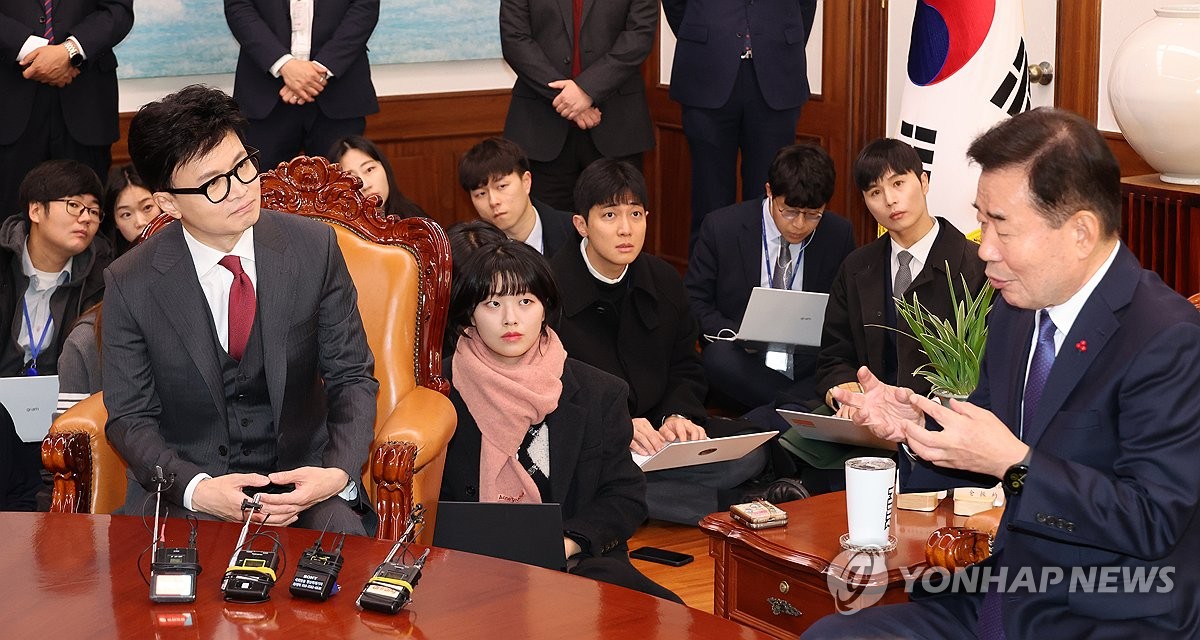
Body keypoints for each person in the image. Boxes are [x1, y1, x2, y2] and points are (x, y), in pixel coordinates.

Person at [807, 108, 1200, 638]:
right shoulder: (1016, 312)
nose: (984, 248)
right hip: (1000, 594)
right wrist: (917, 429)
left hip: (1105, 612)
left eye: (1002, 227)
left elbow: (1152, 520)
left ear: (1081, 232)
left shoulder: (1166, 339)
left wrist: (1015, 465)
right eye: (982, 220)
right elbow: (982, 439)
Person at [104, 85, 379, 534]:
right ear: (168, 203)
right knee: (169, 569)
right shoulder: (129, 282)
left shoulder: (314, 248)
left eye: (243, 166)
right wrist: (197, 490)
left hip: (301, 484)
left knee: (341, 546)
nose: (240, 190)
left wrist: (335, 473)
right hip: (190, 492)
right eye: (214, 183)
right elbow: (130, 418)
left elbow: (352, 377)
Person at [440, 238, 680, 602]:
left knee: (666, 612)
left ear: (545, 308)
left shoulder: (599, 392)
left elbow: (625, 495)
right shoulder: (437, 392)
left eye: (525, 301)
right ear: (469, 316)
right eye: (493, 304)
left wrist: (566, 543)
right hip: (469, 569)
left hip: (574, 562)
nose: (510, 319)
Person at [550, 159, 767, 525]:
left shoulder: (663, 279)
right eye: (610, 215)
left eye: (636, 214)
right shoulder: (549, 291)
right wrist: (618, 426)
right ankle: (731, 502)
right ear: (581, 224)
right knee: (578, 477)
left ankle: (643, 499)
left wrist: (677, 415)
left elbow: (685, 365)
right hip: (594, 441)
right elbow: (549, 389)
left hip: (658, 440)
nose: (626, 229)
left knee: (750, 452)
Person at [768, 139, 986, 495]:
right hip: (865, 423)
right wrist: (846, 391)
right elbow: (834, 356)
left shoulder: (974, 266)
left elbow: (986, 371)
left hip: (937, 426)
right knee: (787, 430)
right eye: (874, 192)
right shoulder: (857, 267)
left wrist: (931, 409)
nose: (890, 200)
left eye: (898, 183)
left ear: (924, 182)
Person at [685, 144, 855, 413]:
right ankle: (800, 409)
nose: (799, 224)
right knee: (717, 358)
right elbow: (695, 300)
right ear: (769, 192)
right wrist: (739, 335)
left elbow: (846, 308)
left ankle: (771, 415)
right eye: (789, 211)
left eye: (813, 215)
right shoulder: (722, 227)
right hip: (744, 356)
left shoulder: (838, 233)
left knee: (839, 368)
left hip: (805, 359)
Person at [0, 159, 110, 510]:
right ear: (36, 210)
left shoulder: (105, 278)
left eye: (94, 211)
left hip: (63, 422)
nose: (86, 218)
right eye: (74, 205)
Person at [662, 0, 818, 237]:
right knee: (709, 196)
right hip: (707, 68)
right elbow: (676, 5)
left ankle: (762, 262)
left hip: (777, 70)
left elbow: (806, 5)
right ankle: (710, 262)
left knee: (769, 195)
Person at [499, 0, 657, 213]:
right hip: (541, 129)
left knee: (618, 223)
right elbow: (515, 40)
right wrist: (568, 98)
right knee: (548, 226)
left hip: (617, 127)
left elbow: (639, 36)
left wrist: (586, 89)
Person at [0, 0, 133, 218]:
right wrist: (32, 50)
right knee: (8, 221)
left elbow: (118, 10)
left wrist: (70, 51)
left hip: (86, 104)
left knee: (86, 216)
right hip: (9, 103)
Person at [56, 164, 164, 411]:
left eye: (147, 207)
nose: (140, 222)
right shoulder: (105, 275)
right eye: (126, 214)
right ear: (114, 222)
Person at [224, 0, 379, 170]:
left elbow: (364, 8)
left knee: (340, 182)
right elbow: (239, 7)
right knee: (260, 182)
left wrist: (320, 71)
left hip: (340, 94)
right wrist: (283, 65)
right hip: (264, 96)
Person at [457, 137, 578, 257]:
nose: (493, 201)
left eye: (502, 186)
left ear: (526, 182)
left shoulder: (575, 231)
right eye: (481, 194)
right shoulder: (471, 252)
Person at [327, 135, 426, 218]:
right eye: (351, 178)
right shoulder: (333, 231)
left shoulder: (416, 221)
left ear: (384, 166)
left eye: (369, 169)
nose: (365, 185)